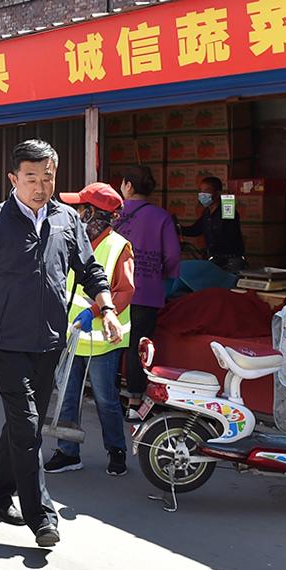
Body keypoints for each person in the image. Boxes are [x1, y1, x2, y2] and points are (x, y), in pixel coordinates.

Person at [0, 140, 122, 548]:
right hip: (6, 343)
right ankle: (42, 516)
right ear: (13, 179)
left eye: (47, 178)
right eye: (30, 178)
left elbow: (89, 269)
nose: (40, 186)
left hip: (49, 342)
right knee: (28, 426)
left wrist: (107, 309)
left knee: (20, 424)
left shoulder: (67, 220)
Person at [44, 182, 136, 477]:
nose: (76, 214)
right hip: (71, 335)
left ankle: (117, 450)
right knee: (66, 397)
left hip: (102, 340)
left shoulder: (118, 247)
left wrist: (95, 311)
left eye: (81, 209)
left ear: (94, 214)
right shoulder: (73, 241)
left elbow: (124, 292)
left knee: (106, 398)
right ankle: (67, 452)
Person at [113, 165, 179, 402]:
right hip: (147, 292)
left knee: (113, 346)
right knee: (138, 347)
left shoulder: (114, 215)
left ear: (129, 186)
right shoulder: (162, 217)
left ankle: (109, 400)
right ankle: (134, 400)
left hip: (114, 292)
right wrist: (164, 275)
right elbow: (172, 255)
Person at [181, 175, 246, 271]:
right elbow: (195, 230)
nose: (202, 194)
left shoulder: (227, 210)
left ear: (217, 193)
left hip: (230, 261)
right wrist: (176, 228)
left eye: (207, 191)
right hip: (215, 259)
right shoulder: (207, 213)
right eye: (201, 191)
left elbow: (229, 235)